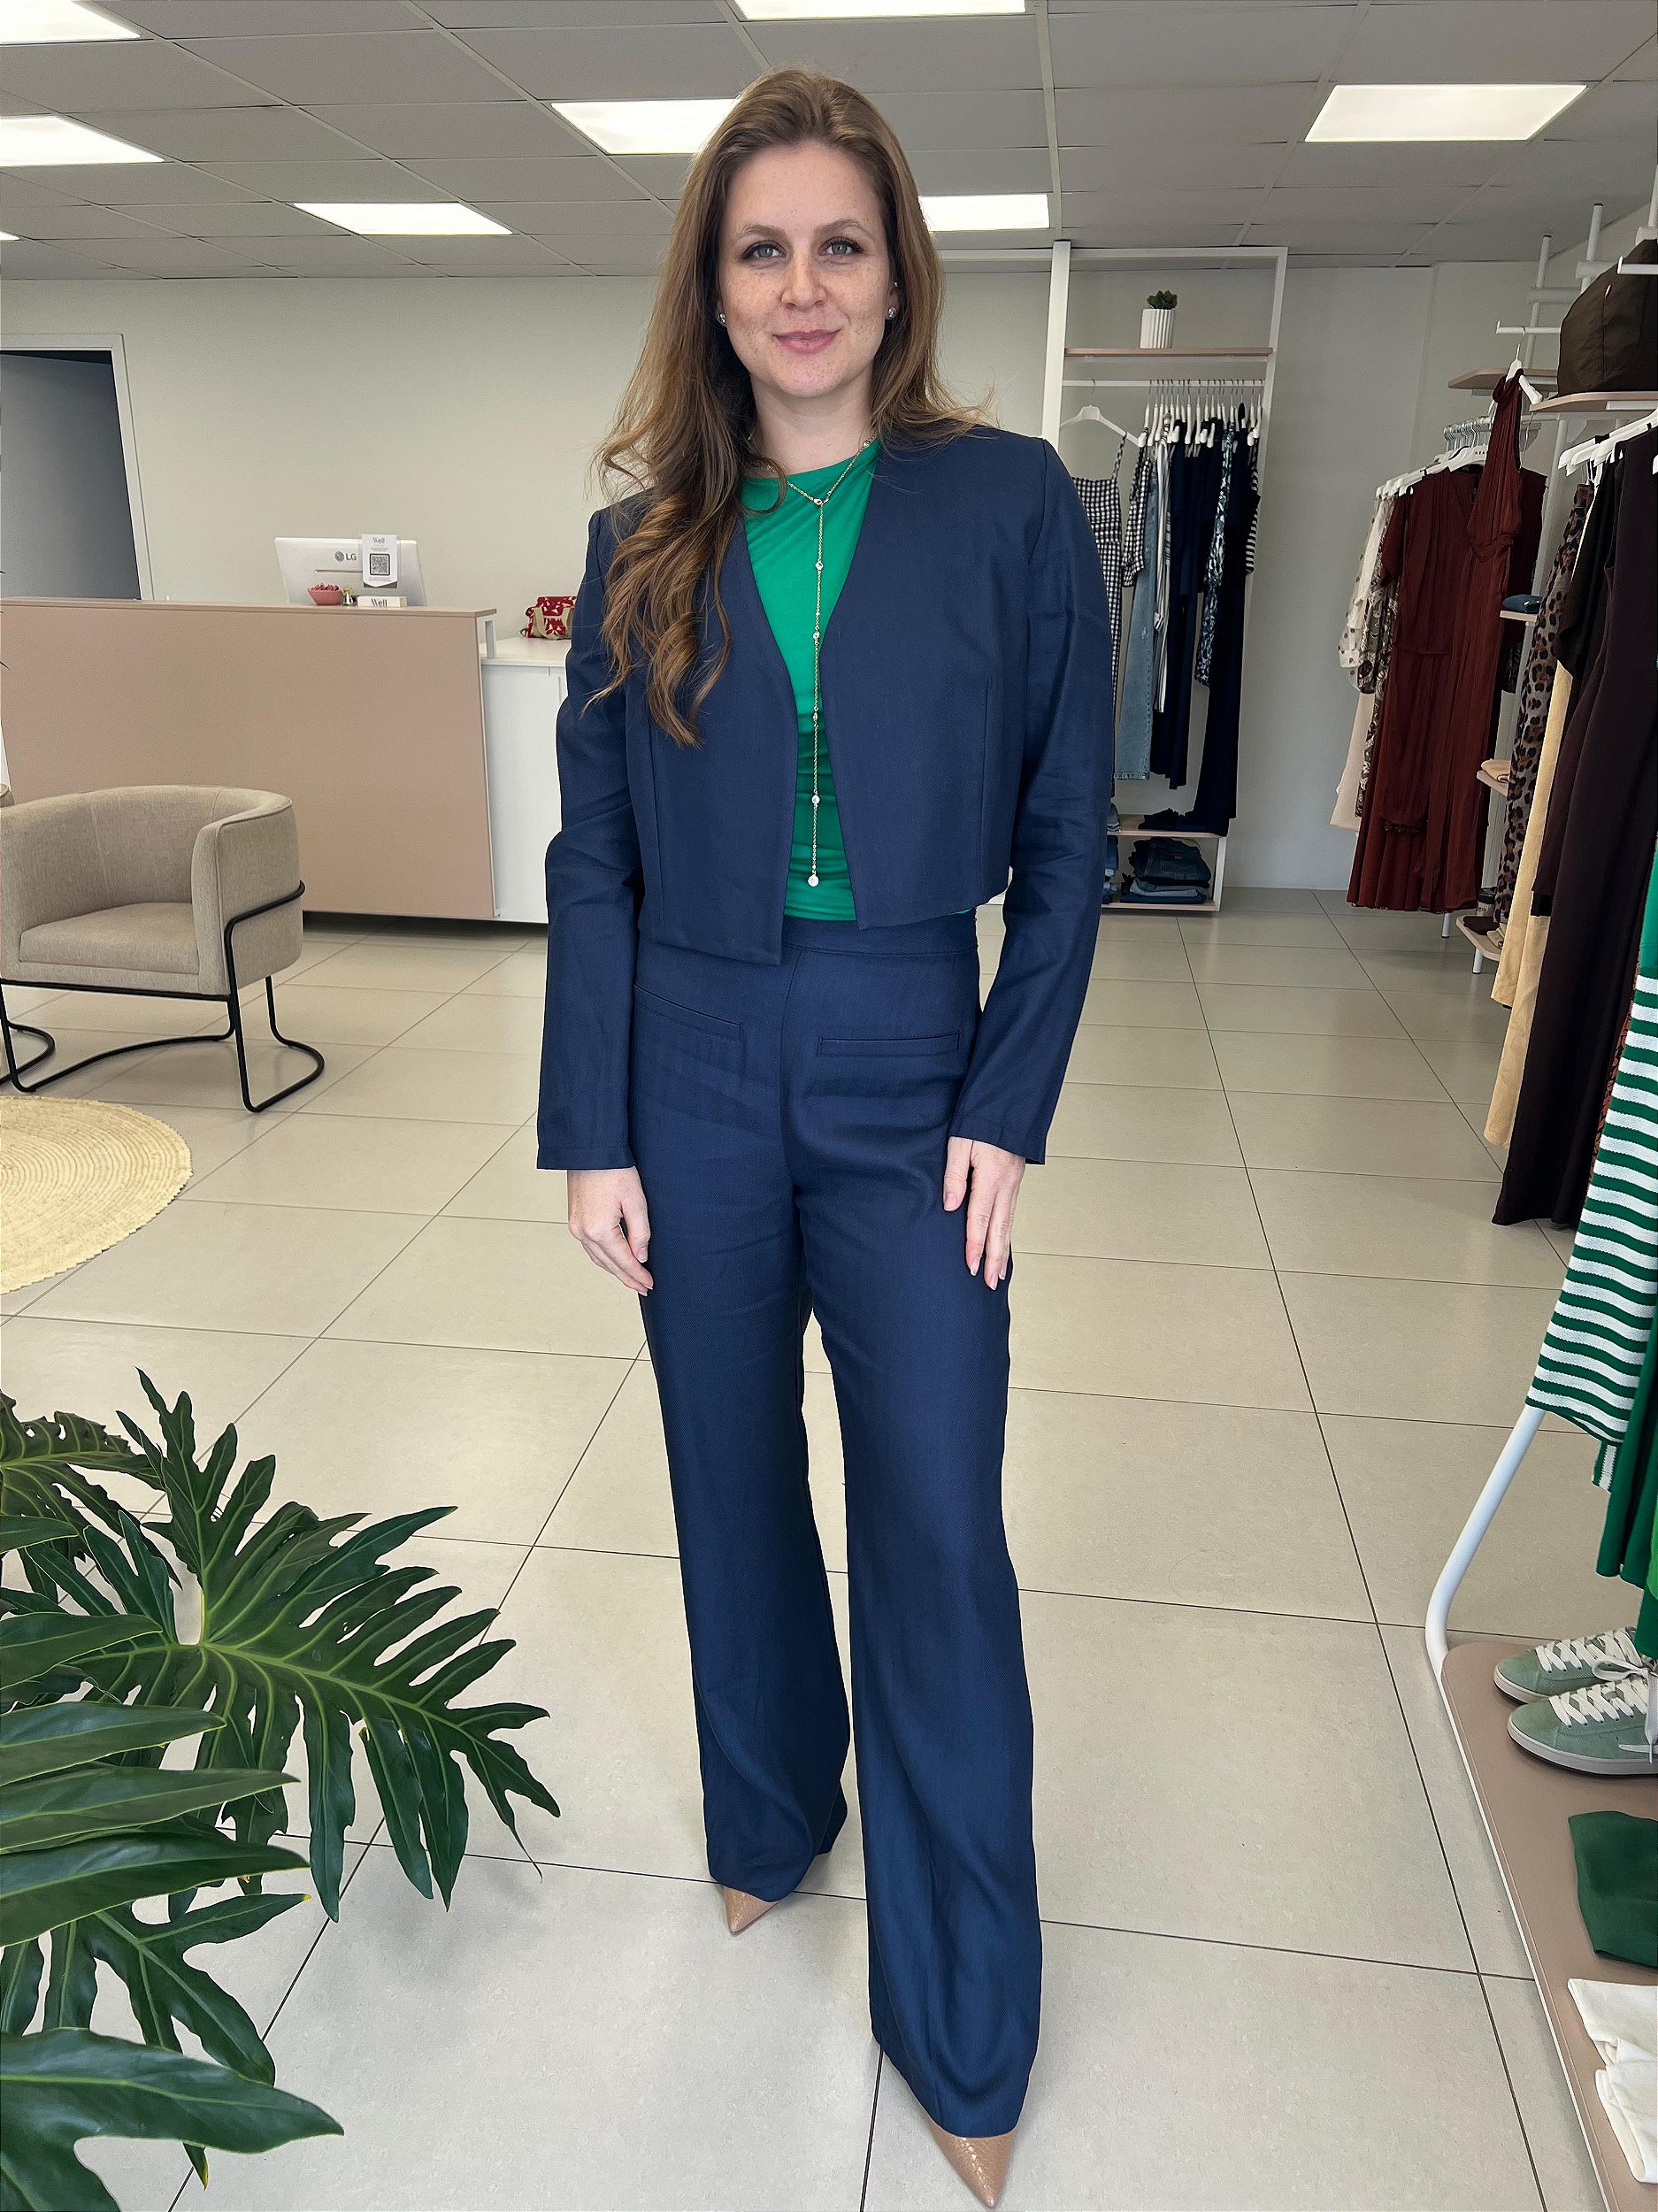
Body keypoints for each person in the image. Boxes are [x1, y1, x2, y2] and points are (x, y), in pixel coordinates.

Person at [536, 65, 1112, 2208]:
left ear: (895, 278)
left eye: (838, 246)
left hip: (907, 1059)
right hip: (686, 1060)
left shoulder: (1007, 504)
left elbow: (1069, 836)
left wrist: (1008, 1104)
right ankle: (772, 1810)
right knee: (726, 1477)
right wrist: (591, 1126)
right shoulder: (640, 542)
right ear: (713, 285)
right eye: (760, 248)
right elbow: (593, 856)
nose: (802, 286)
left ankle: (963, 2018)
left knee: (936, 1524)